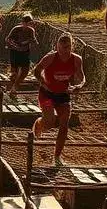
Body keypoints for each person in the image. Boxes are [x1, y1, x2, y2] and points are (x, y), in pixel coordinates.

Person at [32, 33, 85, 165]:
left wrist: (79, 86)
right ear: (57, 47)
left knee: (64, 125)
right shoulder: (50, 58)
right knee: (49, 123)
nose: (63, 52)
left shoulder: (77, 59)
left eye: (66, 48)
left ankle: (57, 156)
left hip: (63, 94)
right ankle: (39, 123)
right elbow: (36, 70)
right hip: (47, 94)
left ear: (71, 47)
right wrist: (44, 83)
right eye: (60, 49)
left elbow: (82, 77)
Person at [5, 15, 39, 98]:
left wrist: (31, 42)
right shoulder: (16, 29)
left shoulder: (31, 30)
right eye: (27, 23)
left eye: (30, 23)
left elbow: (33, 40)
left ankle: (15, 87)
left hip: (25, 52)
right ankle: (10, 88)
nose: (28, 25)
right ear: (23, 23)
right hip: (15, 52)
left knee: (25, 71)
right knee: (14, 72)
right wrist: (15, 45)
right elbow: (8, 39)